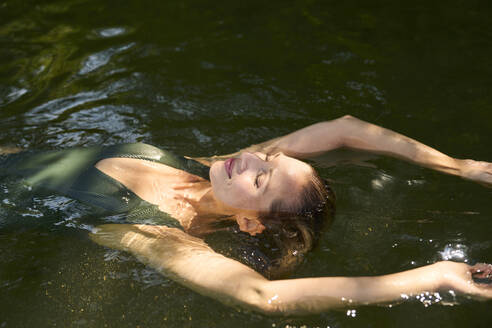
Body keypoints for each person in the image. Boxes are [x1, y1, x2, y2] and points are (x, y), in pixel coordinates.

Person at [2, 115, 492, 314]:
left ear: (250, 223)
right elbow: (343, 129)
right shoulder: (208, 168)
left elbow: (264, 295)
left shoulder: (160, 235)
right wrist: (460, 167)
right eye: (270, 161)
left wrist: (441, 275)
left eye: (261, 180)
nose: (255, 160)